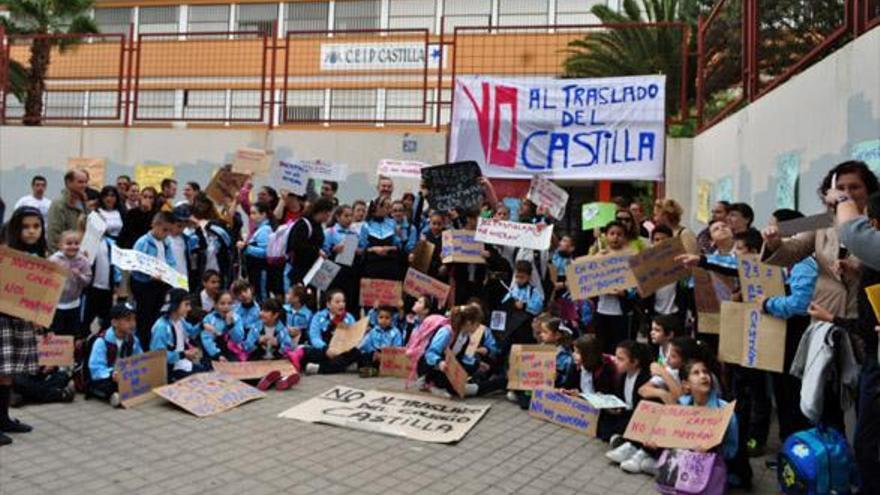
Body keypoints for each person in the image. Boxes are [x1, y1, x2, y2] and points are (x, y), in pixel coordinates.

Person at [822, 186, 880, 493]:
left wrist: (842, 200)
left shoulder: (860, 233)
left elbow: (854, 234)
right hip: (869, 349)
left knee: (868, 441)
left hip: (865, 347)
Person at [0, 207, 48, 446]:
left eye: (36, 226)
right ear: (15, 229)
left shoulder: (39, 257)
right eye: (25, 227)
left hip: (22, 320)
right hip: (3, 320)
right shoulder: (6, 255)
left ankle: (4, 418)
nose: (31, 231)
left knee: (8, 374)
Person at [81, 186, 125, 333]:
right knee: (85, 319)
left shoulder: (121, 215)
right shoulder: (91, 239)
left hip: (109, 281)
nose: (110, 198)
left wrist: (117, 282)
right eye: (107, 195)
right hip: (92, 283)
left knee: (106, 319)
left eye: (113, 196)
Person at [131, 211, 177, 348]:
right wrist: (149, 275)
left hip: (162, 284)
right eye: (164, 230)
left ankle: (157, 344)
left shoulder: (167, 242)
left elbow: (172, 261)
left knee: (158, 315)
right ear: (155, 225)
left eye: (169, 230)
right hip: (145, 284)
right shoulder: (142, 242)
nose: (167, 233)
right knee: (145, 317)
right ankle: (143, 346)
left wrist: (169, 273)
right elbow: (135, 265)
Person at [417, 304, 483, 399]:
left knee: (473, 364)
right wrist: (439, 362)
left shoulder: (465, 337)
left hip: (448, 364)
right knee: (446, 373)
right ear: (469, 322)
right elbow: (430, 353)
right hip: (433, 365)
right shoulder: (446, 332)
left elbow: (461, 356)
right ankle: (430, 382)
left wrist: (476, 363)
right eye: (477, 324)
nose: (478, 327)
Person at [288, 289, 358, 375]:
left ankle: (319, 368)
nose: (341, 304)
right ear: (328, 304)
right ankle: (342, 366)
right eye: (337, 302)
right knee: (310, 351)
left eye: (343, 301)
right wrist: (326, 349)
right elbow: (314, 337)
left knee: (355, 353)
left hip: (341, 351)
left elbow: (353, 337)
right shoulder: (318, 317)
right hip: (323, 350)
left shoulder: (349, 318)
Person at [86, 302, 143, 407]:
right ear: (114, 322)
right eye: (128, 320)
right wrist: (112, 374)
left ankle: (120, 394)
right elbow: (96, 368)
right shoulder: (102, 341)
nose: (132, 324)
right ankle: (113, 396)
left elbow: (140, 358)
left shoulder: (133, 340)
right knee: (106, 386)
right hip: (106, 377)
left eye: (134, 319)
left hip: (125, 375)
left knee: (139, 381)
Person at [149, 289, 205, 382]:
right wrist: (183, 354)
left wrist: (202, 325)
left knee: (205, 373)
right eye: (186, 304)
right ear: (175, 305)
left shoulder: (180, 320)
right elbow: (159, 355)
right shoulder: (161, 327)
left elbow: (191, 331)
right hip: (169, 369)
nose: (189, 308)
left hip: (181, 362)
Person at [247, 299, 300, 391]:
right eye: (262, 310)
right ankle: (266, 381)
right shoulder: (255, 327)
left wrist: (278, 344)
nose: (262, 313)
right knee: (251, 375)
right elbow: (247, 346)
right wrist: (257, 341)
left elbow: (288, 347)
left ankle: (282, 381)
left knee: (281, 370)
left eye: (266, 311)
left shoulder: (282, 329)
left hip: (275, 360)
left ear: (275, 315)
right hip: (259, 360)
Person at [48, 231, 92, 339]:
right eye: (69, 243)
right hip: (56, 305)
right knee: (57, 333)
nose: (73, 246)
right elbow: (45, 279)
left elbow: (87, 281)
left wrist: (79, 275)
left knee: (71, 334)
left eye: (76, 243)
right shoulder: (54, 260)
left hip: (74, 304)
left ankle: (70, 353)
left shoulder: (83, 261)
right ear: (60, 245)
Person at [287, 198, 334, 287]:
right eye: (328, 214)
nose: (329, 217)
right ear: (322, 212)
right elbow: (296, 245)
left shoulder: (319, 226)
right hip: (301, 269)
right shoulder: (304, 224)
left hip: (315, 268)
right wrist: (317, 251)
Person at [359, 196, 402, 284]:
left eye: (389, 207)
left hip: (390, 265)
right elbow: (362, 248)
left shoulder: (392, 223)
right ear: (376, 206)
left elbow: (398, 246)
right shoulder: (366, 225)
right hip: (372, 266)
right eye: (386, 207)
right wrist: (374, 249)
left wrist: (388, 248)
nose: (388, 210)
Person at [47, 169, 89, 250]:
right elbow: (54, 236)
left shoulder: (84, 203)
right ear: (69, 182)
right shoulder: (58, 204)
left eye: (85, 182)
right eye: (80, 182)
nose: (84, 185)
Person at [239, 202, 273, 302]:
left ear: (263, 214)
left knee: (262, 295)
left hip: (261, 269)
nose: (251, 216)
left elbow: (265, 252)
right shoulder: (259, 229)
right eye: (250, 213)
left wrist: (246, 248)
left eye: (254, 213)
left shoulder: (265, 230)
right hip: (254, 270)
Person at [358, 306, 403, 377]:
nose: (384, 320)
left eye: (387, 318)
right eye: (381, 317)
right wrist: (373, 352)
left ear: (392, 319)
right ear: (377, 318)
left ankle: (374, 371)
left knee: (391, 362)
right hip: (375, 354)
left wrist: (384, 356)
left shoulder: (396, 332)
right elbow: (367, 344)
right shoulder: (373, 331)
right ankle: (370, 369)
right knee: (364, 355)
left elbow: (397, 348)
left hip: (387, 356)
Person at [201, 292, 246, 362]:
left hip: (232, 352)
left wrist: (230, 325)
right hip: (214, 352)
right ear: (215, 305)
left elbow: (238, 339)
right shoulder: (209, 319)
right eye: (222, 303)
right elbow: (207, 339)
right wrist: (218, 355)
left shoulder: (237, 318)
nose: (226, 307)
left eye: (229, 303)